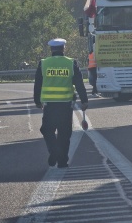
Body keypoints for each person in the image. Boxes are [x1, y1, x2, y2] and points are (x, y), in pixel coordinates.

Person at [34, 38, 88, 168]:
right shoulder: (71, 63)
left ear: (51, 49)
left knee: (47, 130)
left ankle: (54, 152)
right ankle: (62, 161)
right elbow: (79, 83)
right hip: (65, 105)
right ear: (63, 48)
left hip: (49, 105)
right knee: (64, 133)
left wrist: (37, 101)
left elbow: (38, 84)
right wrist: (84, 100)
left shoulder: (44, 63)